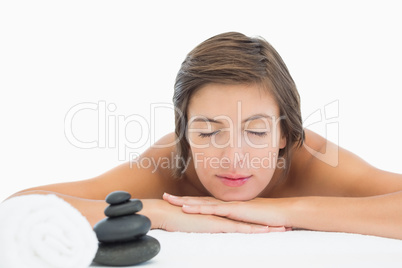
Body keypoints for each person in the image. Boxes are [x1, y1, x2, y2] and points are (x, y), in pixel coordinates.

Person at [8, 32, 402, 239]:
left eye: (257, 131)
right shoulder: (168, 166)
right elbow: (17, 209)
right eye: (209, 131)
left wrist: (287, 209)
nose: (233, 156)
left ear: (285, 133)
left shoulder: (310, 159)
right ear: (183, 133)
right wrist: (160, 214)